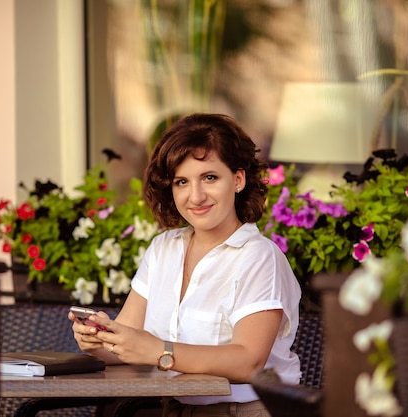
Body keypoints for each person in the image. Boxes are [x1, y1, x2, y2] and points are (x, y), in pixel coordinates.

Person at [70, 113, 301, 417]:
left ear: (238, 179)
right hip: (175, 407)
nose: (196, 196)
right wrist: (99, 341)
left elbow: (249, 362)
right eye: (182, 182)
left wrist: (158, 351)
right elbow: (130, 340)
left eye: (209, 177)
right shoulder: (163, 249)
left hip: (246, 411)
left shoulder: (259, 257)